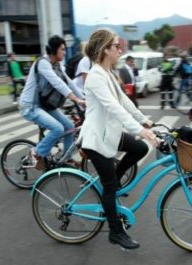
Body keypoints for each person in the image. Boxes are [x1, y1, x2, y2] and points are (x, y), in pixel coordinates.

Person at [80, 29, 159, 249]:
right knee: (110, 187)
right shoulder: (95, 76)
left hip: (110, 134)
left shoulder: (107, 74)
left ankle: (114, 177)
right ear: (105, 49)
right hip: (97, 139)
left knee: (140, 149)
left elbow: (124, 101)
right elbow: (113, 108)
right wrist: (139, 129)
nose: (120, 49)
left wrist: (145, 121)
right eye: (116, 46)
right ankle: (115, 233)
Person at [19, 35, 85, 170]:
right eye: (62, 49)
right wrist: (75, 99)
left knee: (69, 126)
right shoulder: (43, 63)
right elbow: (57, 83)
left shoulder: (57, 64)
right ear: (54, 51)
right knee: (58, 128)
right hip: (30, 106)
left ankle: (67, 158)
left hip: (44, 105)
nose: (65, 52)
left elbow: (69, 82)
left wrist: (84, 99)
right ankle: (35, 153)